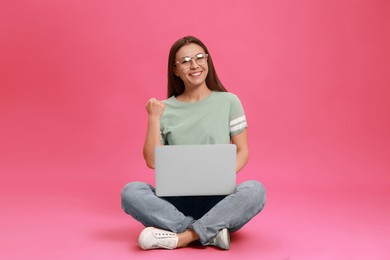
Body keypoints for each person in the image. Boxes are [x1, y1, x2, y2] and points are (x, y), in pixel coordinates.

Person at [121, 36, 266, 250]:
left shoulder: (229, 101)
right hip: (174, 202)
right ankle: (208, 232)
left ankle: (182, 237)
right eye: (186, 61)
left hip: (219, 201)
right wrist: (153, 118)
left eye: (200, 58)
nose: (194, 65)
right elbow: (152, 161)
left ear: (207, 61)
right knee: (130, 192)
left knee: (256, 190)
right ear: (176, 70)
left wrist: (222, 175)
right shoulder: (164, 109)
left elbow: (243, 151)